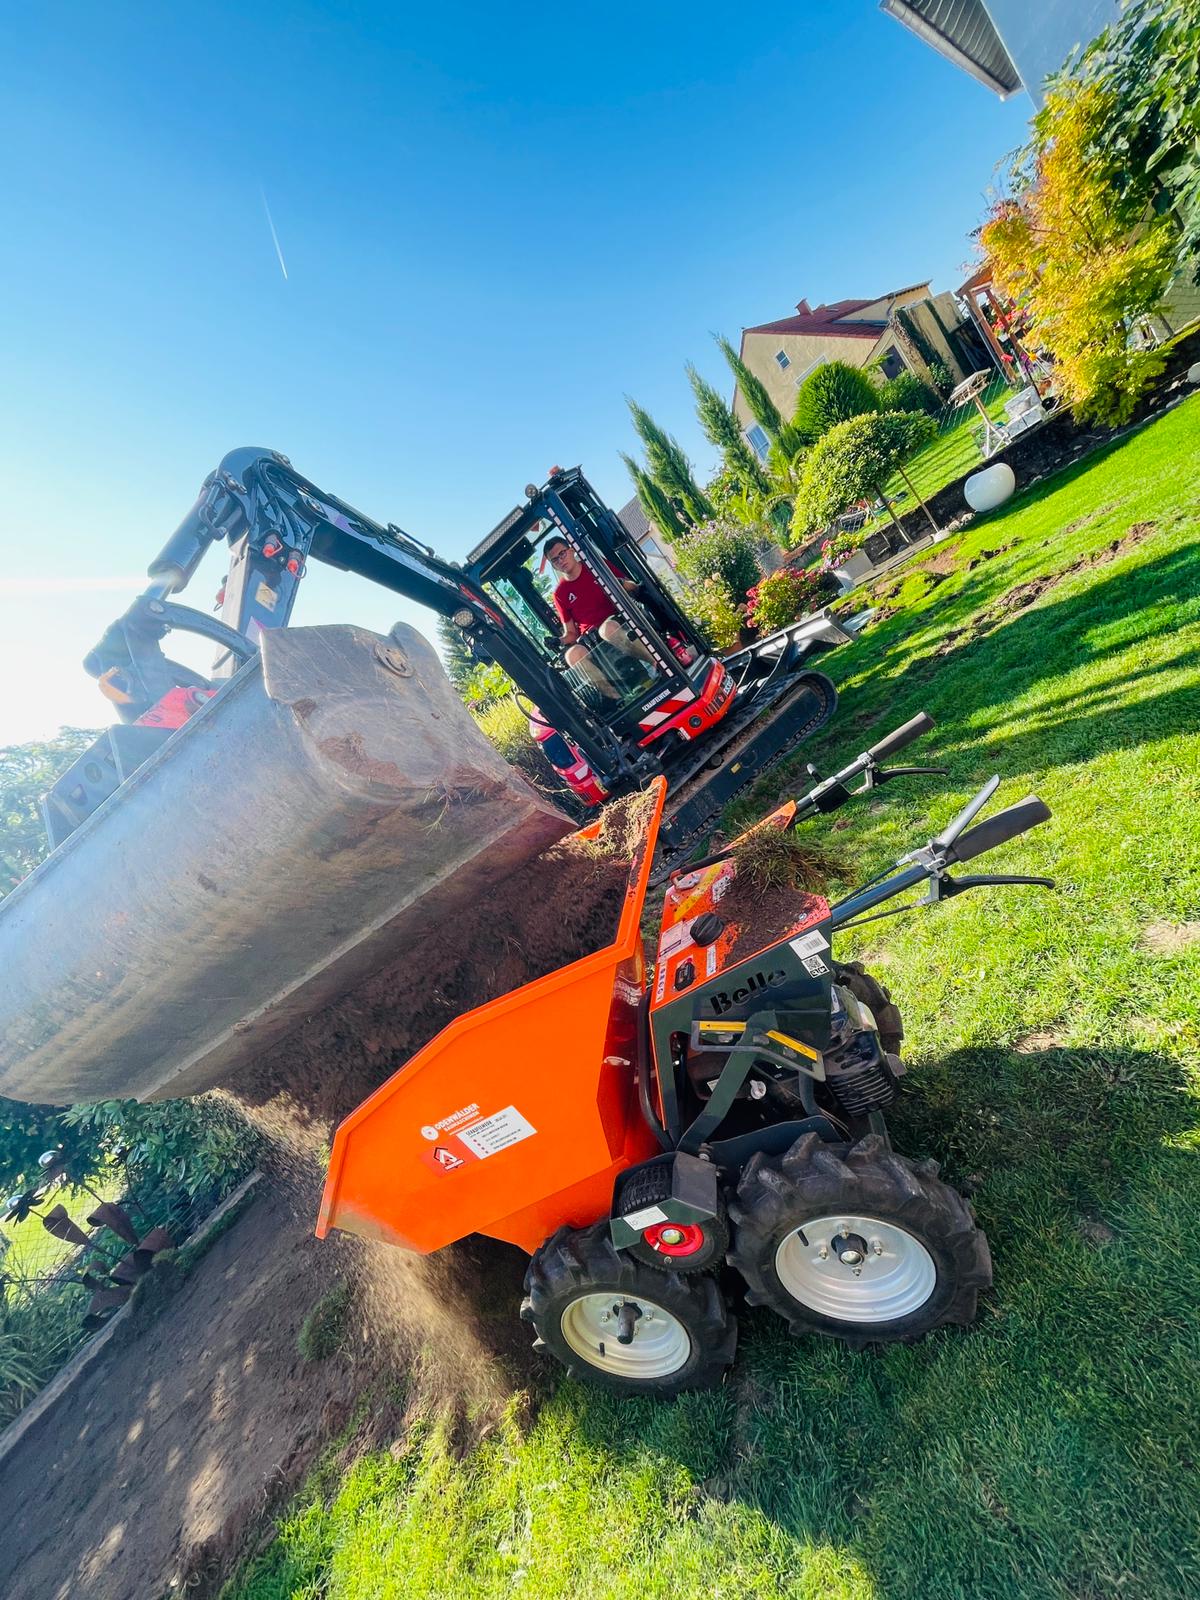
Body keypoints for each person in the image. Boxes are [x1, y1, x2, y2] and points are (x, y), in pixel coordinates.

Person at [542, 535, 656, 698]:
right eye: (555, 559)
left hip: (619, 620)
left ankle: (656, 663)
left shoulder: (595, 566)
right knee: (572, 655)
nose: (560, 560)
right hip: (592, 638)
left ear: (571, 550)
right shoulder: (560, 594)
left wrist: (619, 584)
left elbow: (632, 586)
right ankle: (621, 699)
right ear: (553, 565)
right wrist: (558, 641)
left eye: (562, 553)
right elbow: (571, 633)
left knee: (607, 630)